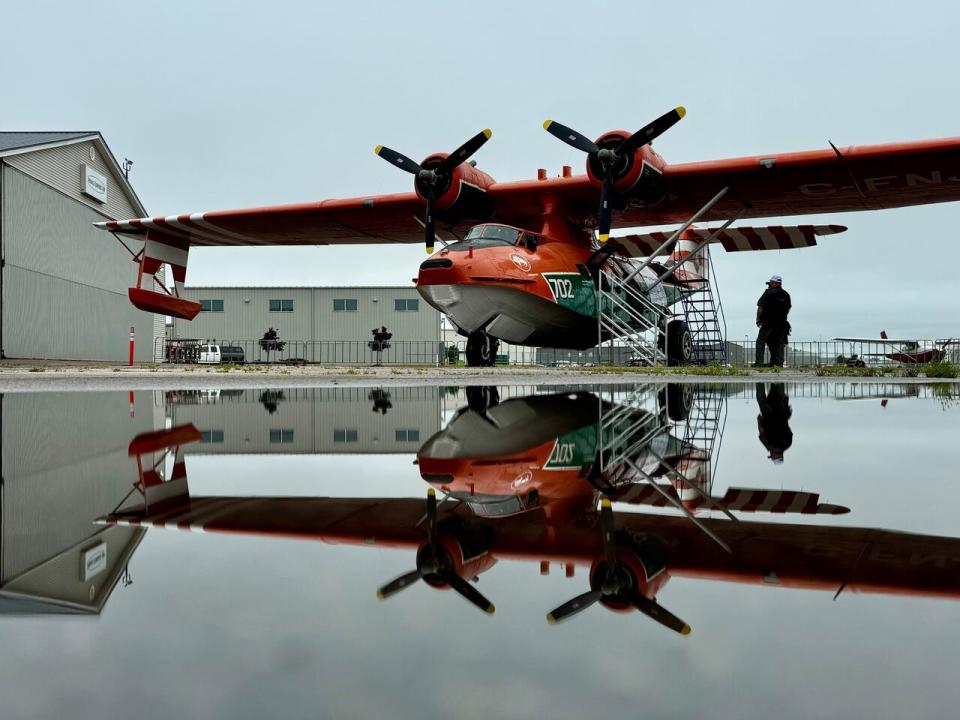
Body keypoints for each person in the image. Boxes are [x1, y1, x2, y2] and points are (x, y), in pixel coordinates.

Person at [755, 274, 791, 367]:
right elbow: (788, 308)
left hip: (768, 322)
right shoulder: (786, 294)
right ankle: (777, 363)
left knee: (761, 341)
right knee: (778, 343)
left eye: (770, 283)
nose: (768, 285)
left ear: (775, 283)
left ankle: (759, 363)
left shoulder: (768, 293)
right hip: (781, 324)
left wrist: (758, 320)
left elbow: (760, 306)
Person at [756, 382, 793, 464]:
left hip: (782, 413)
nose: (770, 455)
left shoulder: (788, 444)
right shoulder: (769, 446)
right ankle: (759, 379)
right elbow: (761, 431)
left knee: (780, 394)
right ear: (776, 456)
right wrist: (759, 420)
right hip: (768, 416)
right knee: (761, 398)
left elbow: (789, 430)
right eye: (772, 457)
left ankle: (779, 374)